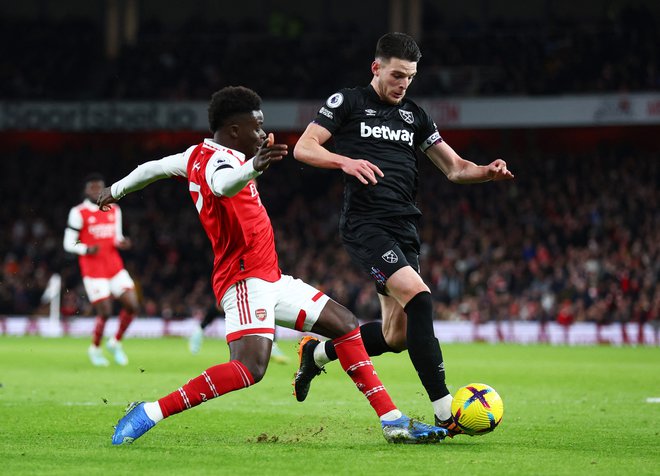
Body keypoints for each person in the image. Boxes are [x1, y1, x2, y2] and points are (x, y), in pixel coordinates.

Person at [98, 86, 448, 445]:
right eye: (257, 126)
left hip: (270, 277)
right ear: (234, 130)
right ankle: (149, 412)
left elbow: (151, 168)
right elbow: (221, 186)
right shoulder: (224, 162)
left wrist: (117, 190)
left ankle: (393, 422)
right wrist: (252, 166)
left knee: (344, 324)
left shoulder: (193, 155)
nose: (264, 134)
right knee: (249, 369)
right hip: (245, 278)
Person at [293, 32, 514, 435]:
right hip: (366, 224)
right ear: (376, 68)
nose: (403, 84)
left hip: (405, 227)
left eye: (410, 77)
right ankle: (446, 413)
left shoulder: (415, 116)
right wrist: (345, 162)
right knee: (421, 297)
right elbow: (304, 148)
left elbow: (455, 168)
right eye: (397, 75)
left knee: (397, 337)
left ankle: (319, 351)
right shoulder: (348, 102)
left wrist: (486, 172)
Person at [64, 173, 139, 366]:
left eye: (100, 187)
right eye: (93, 188)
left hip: (114, 266)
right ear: (86, 190)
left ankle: (115, 343)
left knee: (133, 305)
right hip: (93, 270)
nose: (97, 191)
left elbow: (116, 237)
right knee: (105, 311)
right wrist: (86, 248)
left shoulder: (114, 209)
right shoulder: (78, 212)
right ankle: (95, 348)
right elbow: (68, 243)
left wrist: (122, 243)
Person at [188, 301, 290, 364]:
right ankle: (198, 331)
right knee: (220, 305)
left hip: (246, 286)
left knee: (265, 312)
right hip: (236, 286)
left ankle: (271, 347)